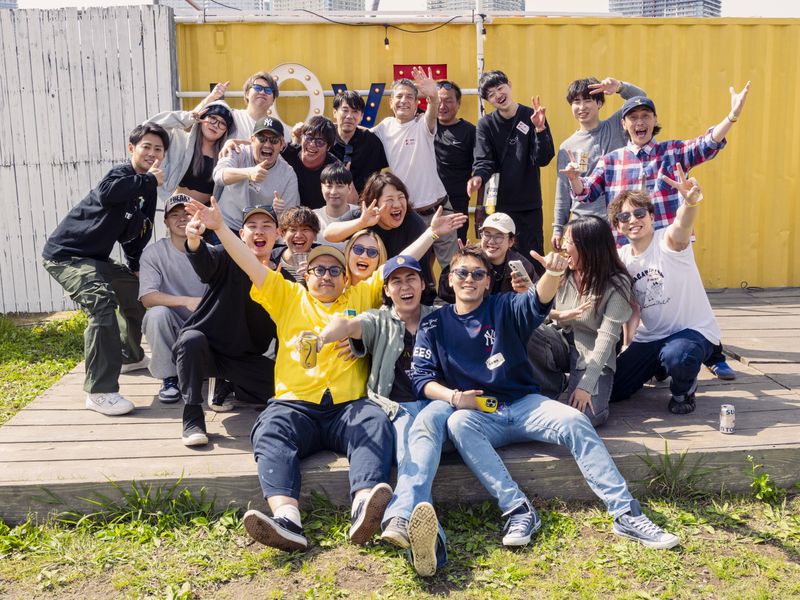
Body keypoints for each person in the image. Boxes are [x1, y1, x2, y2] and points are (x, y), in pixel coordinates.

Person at [409, 244, 679, 567]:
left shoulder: (504, 306)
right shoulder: (434, 324)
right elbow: (421, 379)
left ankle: (625, 513)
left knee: (576, 421)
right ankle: (518, 509)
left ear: (487, 281)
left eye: (478, 274)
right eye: (462, 273)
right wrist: (455, 398)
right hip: (482, 413)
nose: (470, 279)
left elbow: (537, 300)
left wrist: (552, 272)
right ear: (450, 279)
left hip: (525, 404)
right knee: (457, 423)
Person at [185, 198, 400, 553]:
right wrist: (220, 227)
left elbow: (394, 265)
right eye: (319, 269)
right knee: (269, 430)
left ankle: (364, 505)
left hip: (348, 406)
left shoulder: (360, 296)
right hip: (295, 405)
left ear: (346, 278)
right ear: (306, 275)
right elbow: (248, 263)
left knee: (374, 422)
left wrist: (432, 234)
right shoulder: (287, 295)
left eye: (334, 271)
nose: (326, 275)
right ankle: (287, 520)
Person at [312, 255, 448, 576]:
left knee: (416, 448)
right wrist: (323, 337)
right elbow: (348, 325)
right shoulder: (379, 319)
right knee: (412, 454)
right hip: (397, 409)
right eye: (396, 281)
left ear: (423, 283)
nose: (404, 286)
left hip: (438, 406)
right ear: (386, 290)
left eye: (411, 278)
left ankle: (398, 517)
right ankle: (433, 548)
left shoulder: (442, 318)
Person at [42, 123, 168, 416]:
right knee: (102, 305)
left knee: (138, 293)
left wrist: (135, 266)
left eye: (158, 149)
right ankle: (99, 391)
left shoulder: (147, 189)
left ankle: (128, 355)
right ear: (132, 149)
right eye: (146, 147)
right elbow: (108, 193)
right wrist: (149, 180)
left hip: (96, 259)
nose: (152, 153)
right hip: (66, 256)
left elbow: (140, 231)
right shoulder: (121, 174)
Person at [560, 83, 751, 246]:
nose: (640, 122)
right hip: (626, 246)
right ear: (623, 124)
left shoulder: (673, 151)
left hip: (668, 243)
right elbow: (586, 192)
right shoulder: (610, 161)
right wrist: (575, 179)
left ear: (655, 120)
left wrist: (732, 116)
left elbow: (707, 144)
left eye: (645, 116)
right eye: (633, 117)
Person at [609, 167, 723, 415]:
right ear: (618, 226)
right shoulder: (621, 258)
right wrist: (628, 344)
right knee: (613, 390)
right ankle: (659, 365)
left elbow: (682, 225)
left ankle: (683, 391)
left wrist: (690, 203)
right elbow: (632, 306)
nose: (633, 220)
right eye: (624, 217)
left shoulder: (667, 241)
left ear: (651, 216)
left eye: (639, 213)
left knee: (679, 357)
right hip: (652, 336)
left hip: (692, 332)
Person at [174, 204, 282, 445]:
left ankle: (230, 386)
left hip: (243, 360)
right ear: (242, 234)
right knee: (191, 339)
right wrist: (193, 239)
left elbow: (284, 333)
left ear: (278, 234)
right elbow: (204, 262)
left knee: (285, 388)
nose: (259, 231)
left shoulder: (282, 279)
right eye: (252, 226)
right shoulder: (226, 256)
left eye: (266, 226)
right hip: (204, 352)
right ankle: (192, 415)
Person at [438, 212, 567, 399]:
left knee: (521, 334)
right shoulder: (472, 260)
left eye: (499, 236)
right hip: (481, 326)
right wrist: (459, 266)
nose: (491, 241)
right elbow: (445, 293)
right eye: (487, 234)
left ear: (511, 241)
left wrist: (527, 291)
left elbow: (538, 307)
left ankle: (549, 386)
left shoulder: (521, 265)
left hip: (516, 327)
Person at [323, 172, 467, 299]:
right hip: (358, 291)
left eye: (401, 197)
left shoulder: (414, 223)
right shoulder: (365, 215)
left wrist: (432, 233)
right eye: (390, 200)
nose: (397, 204)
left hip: (398, 294)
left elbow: (408, 266)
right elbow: (328, 234)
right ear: (374, 203)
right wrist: (361, 223)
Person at [551, 216, 633, 427]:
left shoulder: (617, 283)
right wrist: (544, 283)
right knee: (530, 334)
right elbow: (538, 315)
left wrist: (586, 385)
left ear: (589, 247)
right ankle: (551, 384)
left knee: (585, 418)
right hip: (559, 341)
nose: (563, 247)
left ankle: (578, 383)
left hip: (593, 353)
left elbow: (607, 337)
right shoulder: (561, 272)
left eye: (569, 242)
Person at [372, 69, 459, 267]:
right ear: (391, 102)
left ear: (416, 102)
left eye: (409, 97)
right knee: (410, 267)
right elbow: (360, 135)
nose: (404, 101)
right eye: (399, 96)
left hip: (439, 209)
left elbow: (432, 112)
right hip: (408, 215)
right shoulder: (385, 126)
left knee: (452, 268)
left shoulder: (423, 123)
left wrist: (433, 96)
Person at [469, 70, 555, 262]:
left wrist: (540, 129)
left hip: (529, 205)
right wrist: (478, 176)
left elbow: (544, 158)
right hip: (498, 205)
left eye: (500, 88)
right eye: (491, 94)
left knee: (532, 257)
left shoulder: (532, 116)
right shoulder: (485, 125)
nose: (498, 95)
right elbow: (484, 160)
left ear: (509, 84)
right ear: (488, 101)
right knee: (499, 258)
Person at [552, 76, 646, 250]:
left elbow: (640, 98)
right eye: (576, 102)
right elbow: (563, 191)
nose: (582, 107)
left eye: (588, 100)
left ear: (600, 103)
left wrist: (620, 87)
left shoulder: (616, 126)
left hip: (618, 222)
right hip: (583, 224)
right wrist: (558, 228)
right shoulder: (567, 146)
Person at [138, 194, 208, 403]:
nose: (182, 219)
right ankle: (169, 377)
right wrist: (186, 301)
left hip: (205, 323)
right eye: (175, 215)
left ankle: (218, 376)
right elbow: (147, 297)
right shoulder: (153, 253)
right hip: (174, 324)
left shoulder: (211, 252)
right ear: (166, 221)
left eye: (187, 213)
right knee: (156, 314)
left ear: (198, 218)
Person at [213, 116, 299, 232]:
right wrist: (248, 173)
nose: (267, 145)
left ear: (282, 143)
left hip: (261, 234)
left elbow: (289, 219)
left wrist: (278, 212)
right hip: (227, 226)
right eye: (262, 139)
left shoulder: (288, 174)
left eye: (274, 140)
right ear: (252, 140)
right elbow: (219, 175)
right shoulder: (238, 152)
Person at [144, 100, 234, 206]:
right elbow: (149, 126)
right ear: (201, 119)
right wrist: (188, 118)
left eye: (222, 123)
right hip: (176, 209)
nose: (215, 125)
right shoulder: (181, 140)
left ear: (226, 130)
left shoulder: (225, 154)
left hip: (205, 211)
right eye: (212, 118)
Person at [434, 80, 476, 244]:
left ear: (458, 103)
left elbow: (481, 166)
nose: (442, 106)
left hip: (456, 204)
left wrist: (480, 206)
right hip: (426, 204)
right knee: (426, 248)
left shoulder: (470, 131)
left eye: (448, 101)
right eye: (438, 100)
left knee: (456, 249)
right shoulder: (424, 126)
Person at [197, 72, 284, 141]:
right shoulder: (231, 116)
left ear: (273, 100)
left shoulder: (278, 128)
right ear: (247, 94)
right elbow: (194, 122)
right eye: (257, 88)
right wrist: (211, 97)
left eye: (268, 90)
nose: (262, 92)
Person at [330, 90, 389, 193]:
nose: (349, 116)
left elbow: (378, 177)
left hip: (364, 200)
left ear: (361, 116)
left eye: (355, 111)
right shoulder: (325, 138)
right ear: (335, 112)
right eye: (345, 110)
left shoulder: (371, 141)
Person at [284, 116, 341, 210]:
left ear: (328, 147)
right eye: (309, 137)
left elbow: (349, 202)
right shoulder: (287, 153)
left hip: (319, 216)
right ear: (302, 137)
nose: (312, 144)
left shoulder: (334, 168)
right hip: (286, 212)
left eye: (320, 142)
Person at [314, 163, 359, 251]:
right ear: (321, 187)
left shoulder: (361, 215)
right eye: (329, 186)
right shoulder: (312, 217)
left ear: (349, 188)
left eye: (339, 186)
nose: (333, 192)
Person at [270, 206, 320, 285]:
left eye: (305, 230)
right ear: (283, 234)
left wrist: (316, 274)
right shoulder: (270, 259)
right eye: (293, 230)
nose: (298, 235)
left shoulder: (327, 260)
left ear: (315, 234)